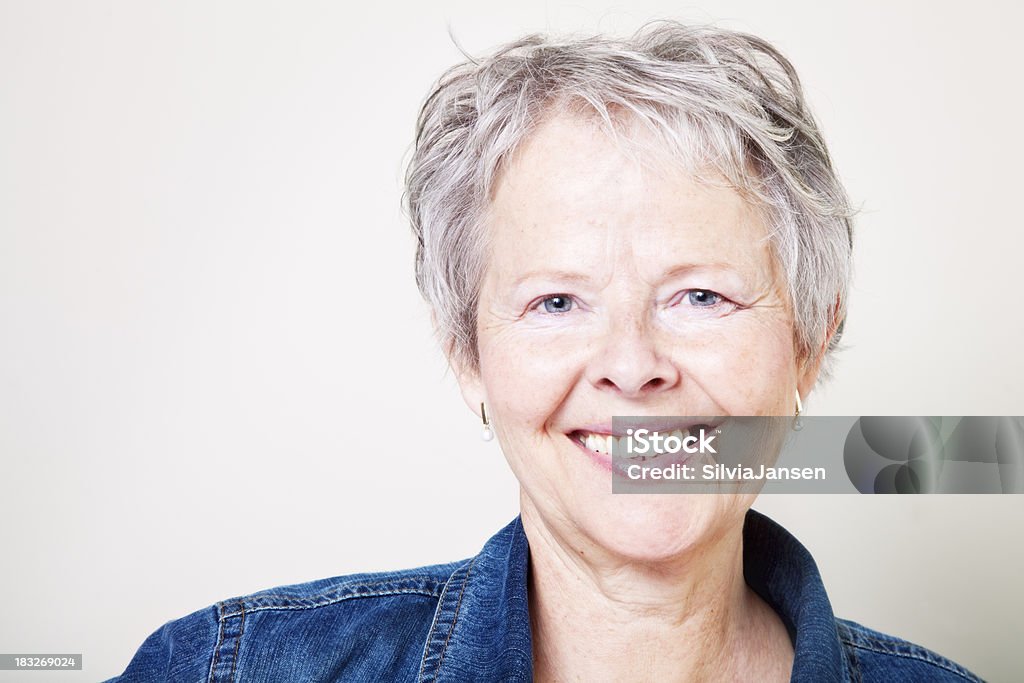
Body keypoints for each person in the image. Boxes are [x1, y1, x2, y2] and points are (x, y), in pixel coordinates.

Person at [108, 22, 983, 682]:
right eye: (557, 301)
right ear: (467, 353)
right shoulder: (227, 667)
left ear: (807, 340)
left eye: (701, 296)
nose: (633, 364)